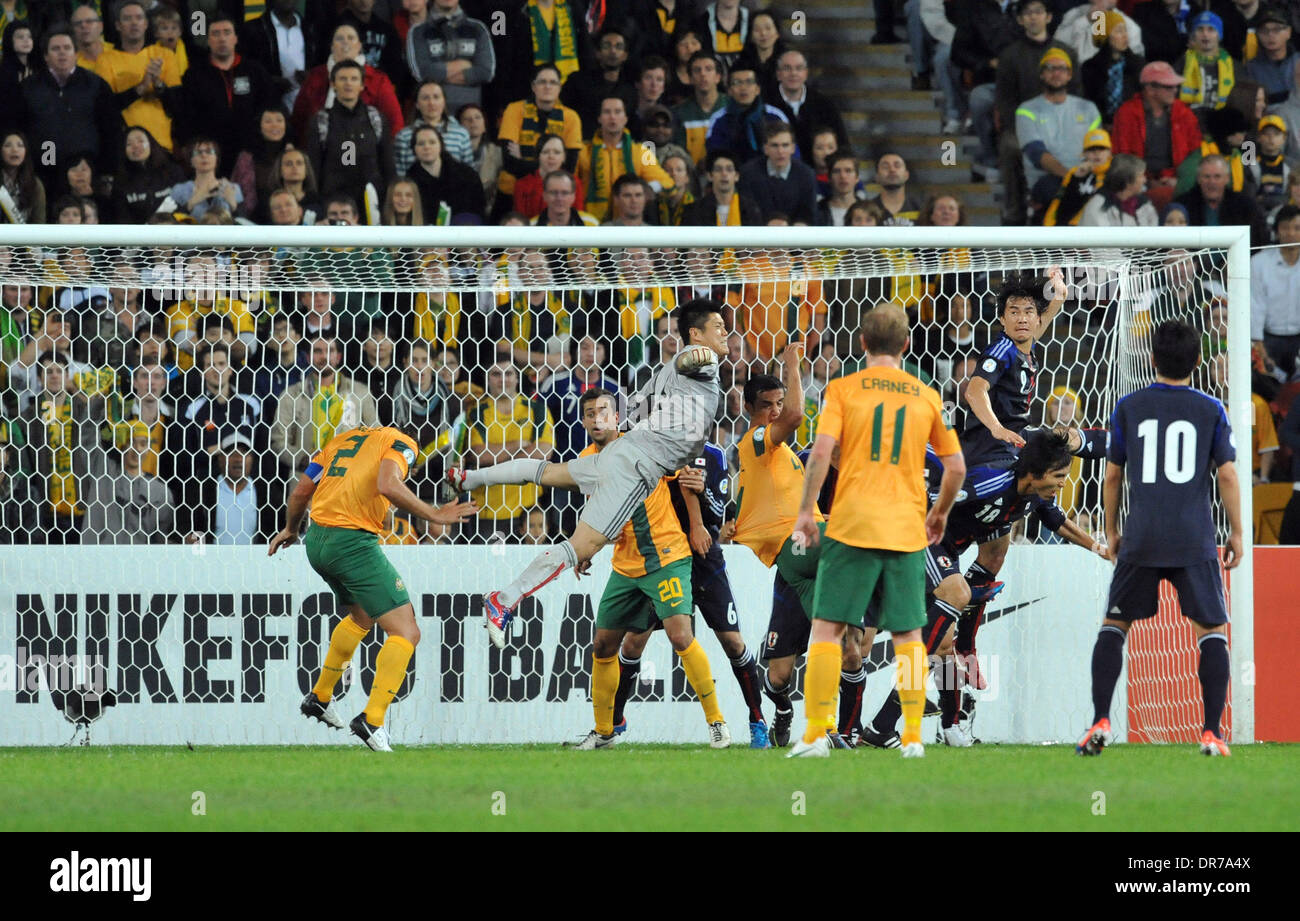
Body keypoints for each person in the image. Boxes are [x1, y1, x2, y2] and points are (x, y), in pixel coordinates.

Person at [446, 299, 728, 649]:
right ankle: (503, 601)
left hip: (625, 453)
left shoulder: (666, 373)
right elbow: (694, 359)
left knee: (548, 472)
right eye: (717, 326)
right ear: (695, 334)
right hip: (639, 466)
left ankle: (469, 479)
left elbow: (639, 409)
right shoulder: (703, 362)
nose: (725, 331)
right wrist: (695, 355)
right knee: (578, 545)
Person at [788, 304, 966, 759]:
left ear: (862, 343)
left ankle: (814, 736)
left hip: (851, 524)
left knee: (827, 629)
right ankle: (910, 737)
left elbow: (821, 453)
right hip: (906, 526)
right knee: (908, 634)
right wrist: (940, 512)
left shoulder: (842, 389)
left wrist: (807, 511)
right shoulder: (927, 395)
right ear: (906, 345)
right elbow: (956, 466)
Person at [863, 431, 1110, 747]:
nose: (1063, 482)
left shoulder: (1035, 494)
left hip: (946, 551)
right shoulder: (989, 482)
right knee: (958, 594)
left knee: (942, 643)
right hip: (919, 534)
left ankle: (948, 726)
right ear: (1035, 474)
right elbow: (930, 499)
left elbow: (1058, 522)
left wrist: (1099, 548)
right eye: (1059, 475)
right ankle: (882, 724)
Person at [1079, 320, 1242, 757]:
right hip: (1194, 538)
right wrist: (1238, 532)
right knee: (1211, 631)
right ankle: (1210, 733)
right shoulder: (1212, 409)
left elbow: (1112, 474)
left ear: (1151, 359)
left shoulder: (1129, 406)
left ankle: (1099, 720)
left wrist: (1112, 530)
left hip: (1143, 536)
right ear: (1197, 361)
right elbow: (1226, 472)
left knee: (1115, 625)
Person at [273, 411, 478, 752]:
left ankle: (320, 697)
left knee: (362, 616)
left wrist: (291, 529)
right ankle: (372, 719)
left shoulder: (343, 440)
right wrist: (434, 513)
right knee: (406, 631)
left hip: (317, 541)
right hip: (351, 543)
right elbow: (387, 483)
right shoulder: (402, 443)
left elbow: (301, 492)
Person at [564, 387, 732, 750]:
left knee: (679, 636)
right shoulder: (585, 459)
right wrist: (585, 549)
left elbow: (686, 482)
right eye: (590, 413)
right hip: (626, 564)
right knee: (603, 645)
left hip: (667, 556)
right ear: (583, 421)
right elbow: (597, 510)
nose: (597, 419)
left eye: (604, 411)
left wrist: (697, 525)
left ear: (617, 417)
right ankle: (604, 731)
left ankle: (717, 722)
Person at [727, 348, 836, 748]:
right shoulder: (756, 441)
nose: (776, 412)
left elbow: (744, 503)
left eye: (778, 403)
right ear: (751, 409)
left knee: (838, 640)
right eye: (768, 406)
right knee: (777, 677)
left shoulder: (782, 455)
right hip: (792, 557)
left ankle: (833, 727)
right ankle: (786, 711)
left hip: (805, 553)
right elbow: (795, 416)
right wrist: (793, 366)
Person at [175, 16, 279, 175]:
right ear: (208, 40)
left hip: (250, 151)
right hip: (209, 154)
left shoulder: (255, 70)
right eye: (215, 34)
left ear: (236, 38)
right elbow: (185, 115)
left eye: (227, 33)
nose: (222, 38)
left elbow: (270, 106)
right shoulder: (194, 74)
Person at [20, 29, 121, 187]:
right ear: (46, 56)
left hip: (88, 171)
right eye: (55, 49)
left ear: (75, 54)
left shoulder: (95, 85)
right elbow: (21, 130)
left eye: (67, 48)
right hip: (44, 173)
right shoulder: (29, 87)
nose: (62, 53)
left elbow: (111, 131)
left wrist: (107, 172)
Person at [1016, 48, 1103, 217]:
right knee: (1058, 192)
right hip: (1047, 178)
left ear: (1069, 75)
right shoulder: (1027, 110)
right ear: (1042, 74)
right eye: (1050, 68)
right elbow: (1037, 153)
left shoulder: (1088, 108)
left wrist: (1083, 176)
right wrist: (1070, 178)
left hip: (1086, 173)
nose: (1056, 74)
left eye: (1062, 69)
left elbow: (1098, 149)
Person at [305, 60, 396, 217]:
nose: (348, 83)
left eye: (354, 79)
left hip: (373, 204)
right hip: (333, 206)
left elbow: (387, 164)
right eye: (343, 79)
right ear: (333, 84)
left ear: (362, 85)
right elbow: (314, 168)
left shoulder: (377, 119)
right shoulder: (321, 121)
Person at [1111, 60, 1203, 209]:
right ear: (1150, 89)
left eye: (1175, 86)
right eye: (1168, 86)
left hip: (1176, 182)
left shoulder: (1184, 113)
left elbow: (1195, 154)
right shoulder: (1127, 113)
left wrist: (1180, 180)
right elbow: (1122, 156)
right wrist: (1144, 181)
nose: (1175, 90)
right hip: (1136, 183)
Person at [291, 23, 403, 145]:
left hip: (366, 154)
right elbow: (299, 121)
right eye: (339, 38)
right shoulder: (315, 76)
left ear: (359, 46)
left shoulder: (378, 80)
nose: (345, 42)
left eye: (351, 38)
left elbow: (395, 123)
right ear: (332, 47)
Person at [494, 65, 584, 212]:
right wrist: (552, 163)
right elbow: (510, 164)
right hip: (511, 191)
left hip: (556, 195)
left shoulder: (571, 117)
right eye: (542, 82)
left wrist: (524, 155)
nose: (547, 87)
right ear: (533, 86)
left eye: (553, 82)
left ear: (560, 87)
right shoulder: (514, 109)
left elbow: (569, 167)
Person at [576, 94, 674, 221]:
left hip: (628, 223)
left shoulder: (640, 151)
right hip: (591, 224)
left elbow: (666, 182)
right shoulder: (583, 151)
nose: (612, 117)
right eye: (607, 112)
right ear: (599, 118)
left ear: (625, 119)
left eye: (617, 112)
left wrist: (648, 188)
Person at [406, 0, 496, 114]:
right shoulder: (418, 31)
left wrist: (440, 74)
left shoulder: (478, 28)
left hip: (469, 116)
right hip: (431, 116)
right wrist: (464, 66)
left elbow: (486, 72)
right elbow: (422, 72)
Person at [1175, 153, 1269, 245]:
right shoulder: (1183, 205)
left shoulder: (1246, 206)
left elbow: (1258, 240)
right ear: (1199, 179)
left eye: (1217, 176)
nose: (1212, 182)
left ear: (1227, 178)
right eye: (1206, 176)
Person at [1251, 204, 1300, 377]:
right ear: (1277, 231)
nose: (1291, 233)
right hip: (1268, 340)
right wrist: (1261, 351)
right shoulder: (1259, 263)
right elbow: (1255, 308)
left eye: (1297, 228)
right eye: (1285, 228)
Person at [705, 61, 788, 164]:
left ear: (758, 89)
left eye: (749, 82)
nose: (743, 88)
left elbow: (790, 151)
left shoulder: (775, 116)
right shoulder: (719, 119)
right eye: (737, 83)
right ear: (729, 90)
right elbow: (714, 156)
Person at [738, 122, 817, 224]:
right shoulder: (748, 173)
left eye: (785, 145)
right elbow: (745, 214)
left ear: (793, 148)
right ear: (765, 149)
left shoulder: (807, 175)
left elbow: (809, 215)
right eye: (775, 145)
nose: (780, 151)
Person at [406, 125, 486, 222]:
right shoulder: (409, 181)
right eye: (421, 143)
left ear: (441, 145)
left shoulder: (467, 175)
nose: (427, 147)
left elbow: (479, 210)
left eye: (432, 142)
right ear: (414, 149)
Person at [394, 81, 473, 177]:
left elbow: (469, 173)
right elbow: (400, 176)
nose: (431, 103)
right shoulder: (403, 136)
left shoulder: (461, 134)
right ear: (417, 104)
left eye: (436, 97)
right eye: (425, 98)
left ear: (444, 101)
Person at [1043, 127, 1113, 226]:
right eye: (1092, 149)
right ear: (1084, 153)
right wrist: (1077, 178)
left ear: (1109, 152)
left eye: (1101, 149)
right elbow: (1060, 207)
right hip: (1073, 228)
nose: (1097, 153)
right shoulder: (1075, 173)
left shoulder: (1116, 173)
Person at [171, 138, 244, 220]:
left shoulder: (232, 189)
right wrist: (190, 204)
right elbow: (169, 223)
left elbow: (246, 226)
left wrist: (233, 205)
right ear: (191, 161)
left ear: (217, 159)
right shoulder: (180, 190)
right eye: (198, 152)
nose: (204, 155)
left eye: (209, 152)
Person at [682, 150, 762, 225]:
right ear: (710, 176)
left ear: (736, 176)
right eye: (718, 169)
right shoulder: (694, 211)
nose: (724, 174)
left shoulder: (751, 210)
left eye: (729, 170)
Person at [1079, 152, 1160, 224]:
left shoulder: (1145, 204)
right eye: (1141, 176)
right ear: (1128, 181)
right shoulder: (1097, 207)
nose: (1145, 180)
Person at [866, 152, 922, 225]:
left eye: (897, 166)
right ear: (877, 177)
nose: (892, 170)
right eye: (885, 167)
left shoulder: (921, 208)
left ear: (906, 175)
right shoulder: (867, 210)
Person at [0, 131, 44, 224]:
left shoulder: (34, 184)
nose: (15, 150)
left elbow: (39, 222)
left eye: (20, 145)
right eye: (8, 145)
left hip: (24, 237)